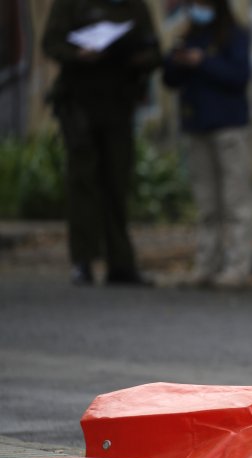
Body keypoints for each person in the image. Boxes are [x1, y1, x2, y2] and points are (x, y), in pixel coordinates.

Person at [42, 0, 162, 286]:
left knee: (117, 183)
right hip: (80, 102)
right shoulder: (70, 5)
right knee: (83, 182)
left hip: (118, 102)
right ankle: (83, 261)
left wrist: (136, 57)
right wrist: (78, 54)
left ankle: (120, 263)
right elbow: (51, 43)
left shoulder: (133, 6)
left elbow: (154, 51)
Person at [162, 0, 252, 288]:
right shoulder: (188, 35)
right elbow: (169, 79)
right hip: (196, 126)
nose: (197, 8)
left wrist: (203, 62)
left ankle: (237, 267)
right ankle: (206, 264)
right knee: (206, 204)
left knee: (234, 202)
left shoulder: (235, 36)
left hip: (228, 127)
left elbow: (239, 76)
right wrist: (176, 60)